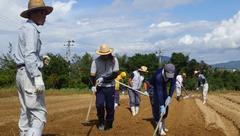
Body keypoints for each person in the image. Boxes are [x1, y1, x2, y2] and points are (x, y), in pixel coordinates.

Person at [13, 0, 53, 135]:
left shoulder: (24, 28)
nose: (45, 16)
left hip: (21, 73)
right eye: (43, 12)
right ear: (33, 14)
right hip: (29, 75)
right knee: (38, 113)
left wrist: (40, 60)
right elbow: (29, 55)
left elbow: (26, 54)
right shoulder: (32, 30)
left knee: (25, 112)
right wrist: (36, 76)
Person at [90, 44, 119, 131]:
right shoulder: (95, 62)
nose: (105, 55)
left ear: (109, 53)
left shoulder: (114, 60)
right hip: (100, 88)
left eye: (106, 53)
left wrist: (104, 78)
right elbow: (92, 76)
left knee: (110, 107)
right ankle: (101, 121)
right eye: (103, 54)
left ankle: (109, 123)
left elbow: (115, 74)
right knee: (99, 105)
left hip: (110, 86)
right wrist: (92, 85)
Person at [149, 63, 176, 136]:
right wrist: (161, 105)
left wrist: (169, 96)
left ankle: (163, 126)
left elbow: (173, 84)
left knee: (166, 107)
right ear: (164, 71)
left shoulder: (172, 71)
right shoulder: (158, 76)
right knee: (157, 107)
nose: (170, 77)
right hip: (153, 87)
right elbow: (159, 91)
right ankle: (160, 129)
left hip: (162, 86)